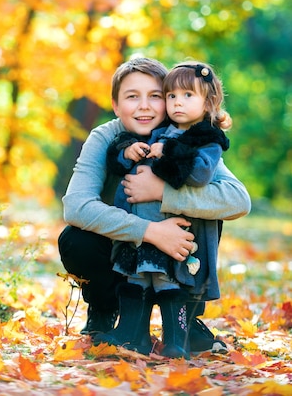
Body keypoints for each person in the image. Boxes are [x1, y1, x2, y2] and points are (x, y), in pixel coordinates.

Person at [58, 57, 251, 356]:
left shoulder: (189, 137)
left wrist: (163, 192)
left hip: (179, 253)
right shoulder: (106, 136)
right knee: (75, 239)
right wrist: (150, 231)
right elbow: (76, 207)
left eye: (156, 96)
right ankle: (105, 309)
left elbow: (237, 199)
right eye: (132, 97)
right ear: (115, 104)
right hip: (121, 250)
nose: (144, 106)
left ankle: (185, 321)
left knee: (210, 209)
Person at [95, 61, 232, 358]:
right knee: (137, 278)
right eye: (171, 96)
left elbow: (199, 175)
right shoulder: (161, 131)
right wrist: (128, 152)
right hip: (141, 228)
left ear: (208, 102)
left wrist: (167, 155)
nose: (177, 103)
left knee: (169, 281)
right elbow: (121, 163)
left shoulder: (207, 139)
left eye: (187, 96)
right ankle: (131, 335)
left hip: (176, 229)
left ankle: (177, 342)